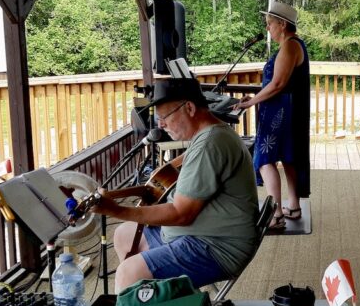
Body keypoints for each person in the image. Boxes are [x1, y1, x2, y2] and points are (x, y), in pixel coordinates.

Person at [93, 77, 260, 293]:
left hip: (215, 246)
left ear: (189, 108)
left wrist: (115, 210)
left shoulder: (210, 144)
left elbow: (181, 214)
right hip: (192, 235)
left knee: (129, 273)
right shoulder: (209, 134)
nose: (160, 124)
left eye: (164, 117)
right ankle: (156, 301)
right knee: (124, 235)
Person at [235, 1, 310, 231]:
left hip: (279, 113)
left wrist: (250, 102)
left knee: (265, 160)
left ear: (283, 24)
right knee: (288, 158)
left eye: (270, 24)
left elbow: (277, 84)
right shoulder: (294, 45)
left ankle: (276, 214)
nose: (268, 28)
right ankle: (294, 207)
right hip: (285, 112)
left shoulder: (289, 47)